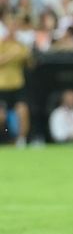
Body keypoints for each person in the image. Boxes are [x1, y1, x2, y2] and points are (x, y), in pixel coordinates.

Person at [0, 12, 32, 147]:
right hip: (2, 85)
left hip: (18, 84)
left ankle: (21, 141)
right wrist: (13, 53)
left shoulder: (21, 45)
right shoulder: (3, 44)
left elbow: (30, 63)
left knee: (23, 111)